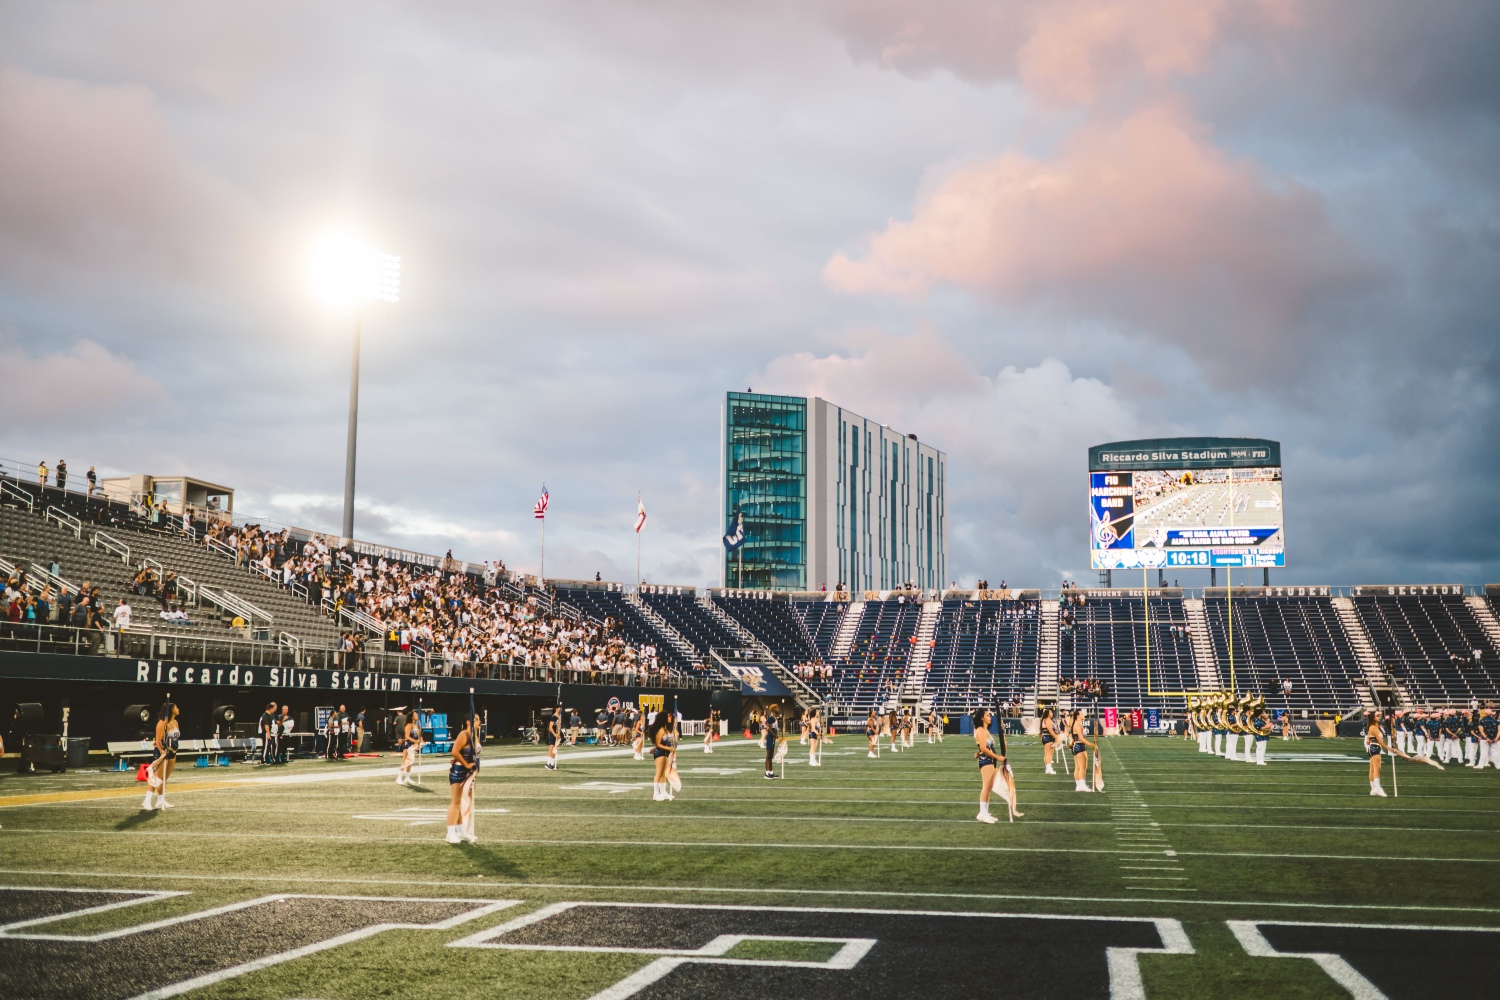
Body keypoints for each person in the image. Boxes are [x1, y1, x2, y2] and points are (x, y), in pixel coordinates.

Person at [445, 709, 480, 844]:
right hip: (459, 771)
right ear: (468, 721)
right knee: (455, 802)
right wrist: (465, 764)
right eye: (476, 719)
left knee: (461, 803)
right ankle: (450, 834)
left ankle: (461, 832)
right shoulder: (464, 734)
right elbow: (454, 751)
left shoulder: (474, 735)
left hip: (469, 773)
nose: (479, 722)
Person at [143, 701, 180, 810]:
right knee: (156, 778)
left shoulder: (176, 722)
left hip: (172, 752)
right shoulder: (162, 723)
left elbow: (175, 738)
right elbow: (158, 740)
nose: (178, 709)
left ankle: (160, 800)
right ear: (171, 710)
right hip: (162, 752)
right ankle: (147, 800)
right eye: (176, 707)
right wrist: (162, 751)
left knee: (164, 778)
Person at [972, 707, 1003, 824]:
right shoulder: (980, 730)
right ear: (982, 718)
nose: (990, 717)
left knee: (989, 787)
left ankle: (985, 811)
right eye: (987, 716)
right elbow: (984, 749)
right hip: (986, 760)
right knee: (986, 786)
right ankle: (982, 813)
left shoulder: (985, 730)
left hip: (990, 760)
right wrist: (997, 757)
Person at [649, 711, 677, 801]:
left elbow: (666, 742)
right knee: (659, 773)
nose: (669, 718)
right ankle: (656, 793)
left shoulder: (665, 729)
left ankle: (663, 792)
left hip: (665, 753)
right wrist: (669, 749)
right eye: (668, 716)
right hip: (660, 753)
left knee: (664, 774)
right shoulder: (660, 729)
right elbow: (658, 744)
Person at [1365, 711, 1392, 797]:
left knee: (1372, 769)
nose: (1379, 717)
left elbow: (1368, 740)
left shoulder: (1372, 727)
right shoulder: (1374, 728)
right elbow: (1380, 741)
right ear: (1373, 718)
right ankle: (1378, 788)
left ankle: (1373, 789)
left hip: (1373, 747)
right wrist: (1389, 748)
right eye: (1377, 716)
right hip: (1375, 748)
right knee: (1377, 768)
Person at [1069, 708, 1096, 793]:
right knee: (1082, 767)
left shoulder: (1077, 724)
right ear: (1078, 715)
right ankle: (1082, 785)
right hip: (1079, 746)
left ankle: (1079, 785)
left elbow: (1075, 737)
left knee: (1078, 767)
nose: (1083, 715)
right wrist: (1091, 744)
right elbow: (1080, 738)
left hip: (1078, 746)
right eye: (1081, 714)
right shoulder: (1077, 725)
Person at [396, 710, 423, 785]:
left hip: (413, 746)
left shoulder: (416, 725)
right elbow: (407, 736)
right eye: (415, 715)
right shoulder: (408, 725)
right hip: (408, 745)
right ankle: (399, 778)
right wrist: (414, 741)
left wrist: (420, 740)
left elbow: (418, 735)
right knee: (405, 761)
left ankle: (407, 778)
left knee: (410, 762)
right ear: (412, 717)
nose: (417, 716)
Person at [763, 704, 782, 779]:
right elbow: (769, 729)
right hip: (770, 738)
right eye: (776, 708)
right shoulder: (771, 718)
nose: (778, 709)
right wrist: (776, 736)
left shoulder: (774, 718)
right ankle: (767, 772)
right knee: (768, 755)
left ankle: (771, 771)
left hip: (773, 738)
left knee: (771, 756)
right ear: (773, 709)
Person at [1041, 707, 1060, 774]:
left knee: (1047, 753)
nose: (1052, 713)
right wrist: (1056, 736)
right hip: (1048, 737)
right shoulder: (1048, 720)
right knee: (1049, 753)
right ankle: (1049, 768)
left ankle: (1047, 767)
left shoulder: (1045, 719)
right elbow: (1050, 730)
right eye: (1051, 712)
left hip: (1045, 737)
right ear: (1048, 713)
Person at [544, 704, 561, 770]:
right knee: (551, 749)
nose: (560, 709)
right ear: (556, 709)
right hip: (553, 734)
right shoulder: (554, 717)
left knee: (554, 749)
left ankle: (552, 763)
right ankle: (548, 764)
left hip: (556, 734)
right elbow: (550, 727)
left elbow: (558, 727)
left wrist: (558, 734)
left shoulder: (558, 716)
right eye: (559, 708)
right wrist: (554, 734)